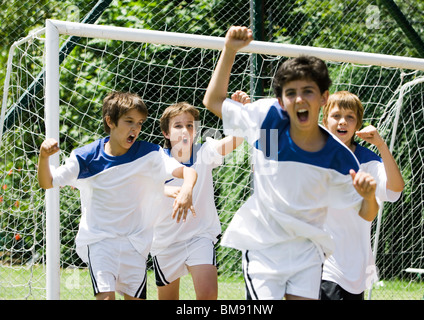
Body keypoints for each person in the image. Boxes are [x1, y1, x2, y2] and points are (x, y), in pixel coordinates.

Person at [202, 26, 378, 300]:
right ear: (282, 101)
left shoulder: (339, 158)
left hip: (308, 254)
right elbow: (213, 100)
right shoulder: (267, 122)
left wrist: (369, 197)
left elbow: (366, 213)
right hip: (263, 249)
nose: (299, 99)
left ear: (323, 98)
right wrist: (230, 50)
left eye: (308, 91)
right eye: (290, 92)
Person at [37, 91, 197, 300]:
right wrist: (43, 157)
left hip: (135, 244)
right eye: (129, 121)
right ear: (110, 121)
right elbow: (47, 182)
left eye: (139, 123)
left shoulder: (150, 153)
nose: (135, 129)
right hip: (100, 243)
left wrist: (186, 190)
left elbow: (188, 171)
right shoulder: (86, 157)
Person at [151, 101, 243, 300]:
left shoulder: (205, 153)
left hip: (199, 236)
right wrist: (168, 190)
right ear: (166, 133)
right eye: (178, 126)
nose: (185, 130)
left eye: (190, 125)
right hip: (165, 240)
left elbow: (235, 140)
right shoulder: (156, 160)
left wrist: (241, 113)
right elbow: (139, 188)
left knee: (208, 295)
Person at [320, 90, 405, 300]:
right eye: (336, 115)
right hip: (321, 265)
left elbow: (395, 189)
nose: (343, 122)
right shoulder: (311, 155)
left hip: (355, 268)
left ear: (357, 125)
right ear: (324, 120)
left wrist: (381, 145)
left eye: (350, 117)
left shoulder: (366, 160)